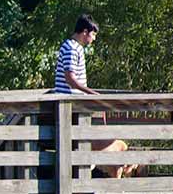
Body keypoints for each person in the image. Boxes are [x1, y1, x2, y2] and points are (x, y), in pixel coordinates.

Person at [52, 15, 134, 176]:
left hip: (76, 105)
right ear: (85, 32)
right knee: (83, 143)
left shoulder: (75, 48)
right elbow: (70, 79)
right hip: (69, 106)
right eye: (93, 34)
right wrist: (92, 94)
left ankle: (84, 178)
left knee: (87, 142)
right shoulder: (71, 48)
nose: (94, 38)